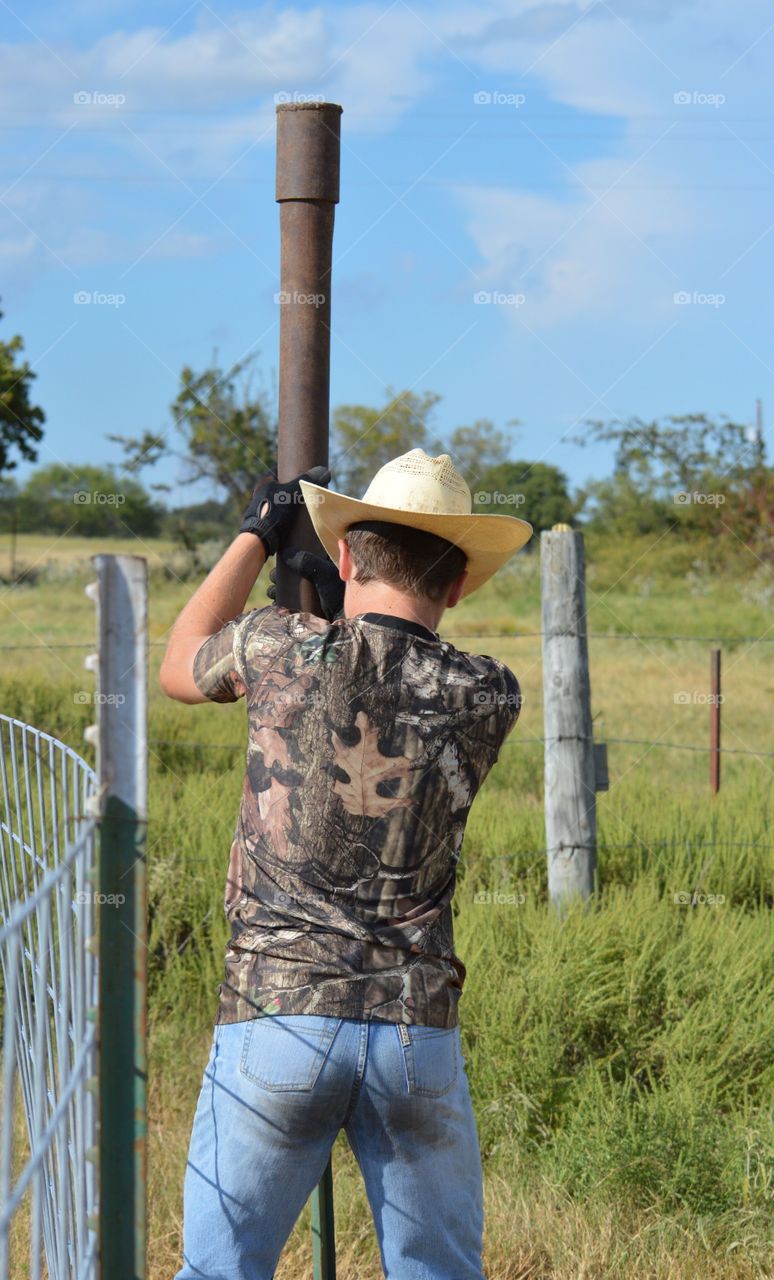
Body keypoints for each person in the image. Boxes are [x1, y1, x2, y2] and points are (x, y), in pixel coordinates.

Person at [161, 448, 532, 1280]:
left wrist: (256, 537)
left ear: (349, 558)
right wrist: (357, 610)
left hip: (276, 1009)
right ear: (461, 584)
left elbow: (178, 663)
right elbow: (398, 662)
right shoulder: (491, 692)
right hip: (414, 1028)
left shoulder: (273, 647)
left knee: (221, 1271)